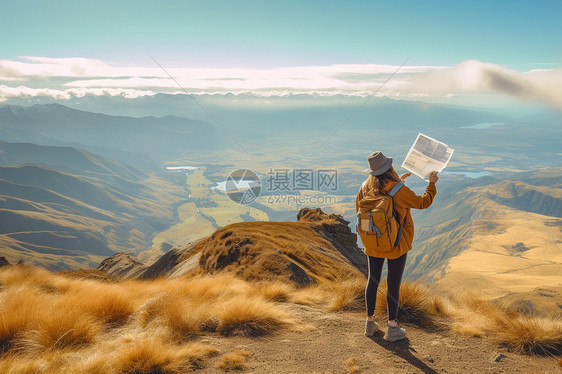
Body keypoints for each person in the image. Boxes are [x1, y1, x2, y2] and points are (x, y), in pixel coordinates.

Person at [356, 151, 438, 342]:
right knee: (393, 284)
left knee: (373, 280)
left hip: (373, 242)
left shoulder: (364, 187)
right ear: (389, 168)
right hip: (396, 244)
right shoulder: (398, 189)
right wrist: (431, 184)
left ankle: (369, 324)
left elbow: (360, 211)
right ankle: (392, 327)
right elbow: (423, 202)